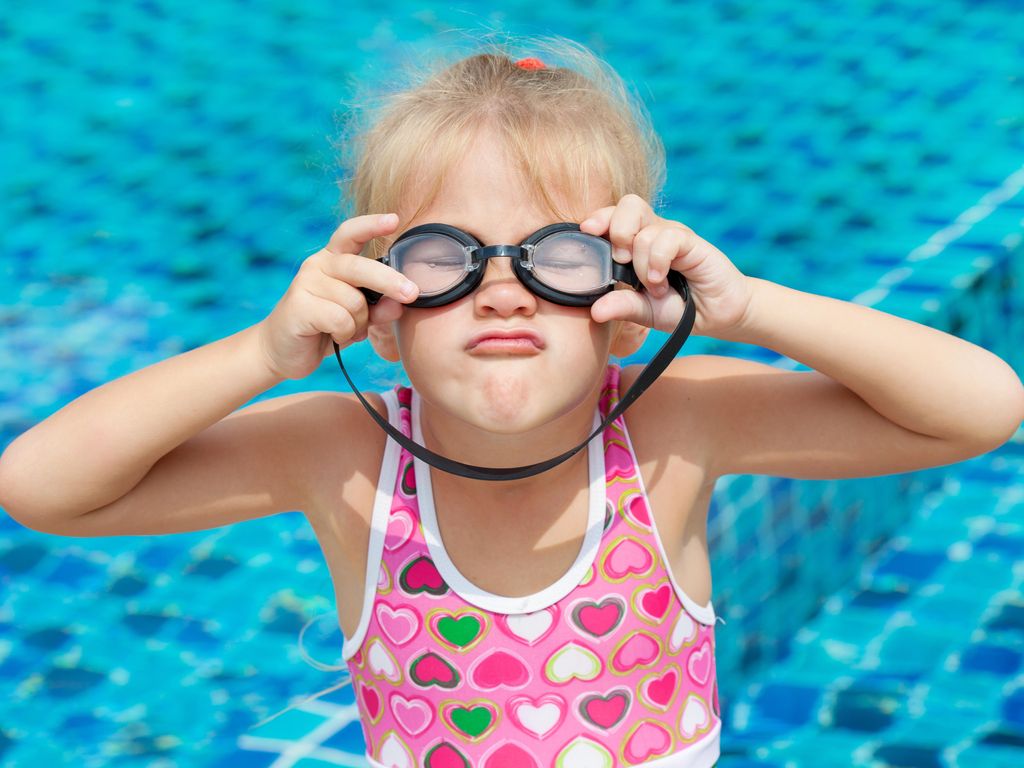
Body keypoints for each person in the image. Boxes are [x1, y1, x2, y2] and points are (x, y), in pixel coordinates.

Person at [2, 34, 1022, 768]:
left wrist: (746, 308)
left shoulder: (676, 427)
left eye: (559, 258)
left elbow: (979, 407)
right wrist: (264, 354)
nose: (501, 288)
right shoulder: (345, 455)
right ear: (383, 315)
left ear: (623, 305)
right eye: (439, 258)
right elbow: (43, 487)